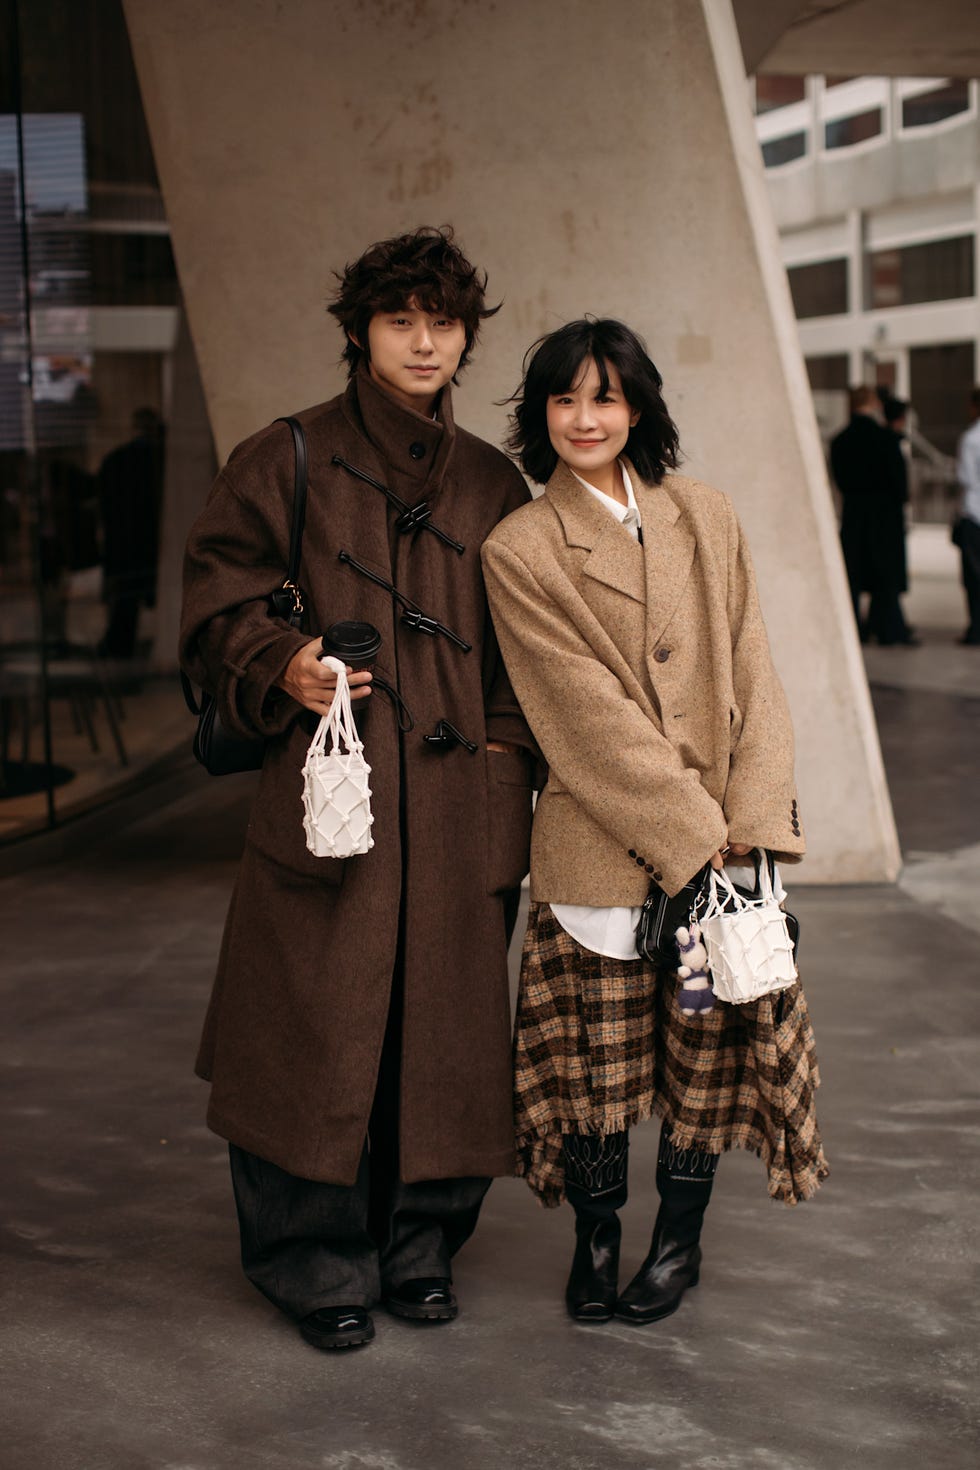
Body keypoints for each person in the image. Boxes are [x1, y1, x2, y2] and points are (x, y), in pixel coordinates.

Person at [179, 227, 536, 1352]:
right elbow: (213, 607)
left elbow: (533, 656)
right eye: (400, 320)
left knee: (441, 1032)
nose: (423, 341)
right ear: (358, 332)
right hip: (327, 794)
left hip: (456, 802)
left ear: (466, 337)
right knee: (312, 1026)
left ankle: (420, 1248)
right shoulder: (280, 457)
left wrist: (503, 773)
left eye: (442, 322)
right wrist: (278, 662)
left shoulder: (491, 480)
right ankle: (311, 1259)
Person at [481, 318, 826, 1327]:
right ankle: (595, 1237)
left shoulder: (704, 516)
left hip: (727, 846)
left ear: (638, 408)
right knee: (598, 1062)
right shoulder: (520, 548)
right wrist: (691, 828)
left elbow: (755, 676)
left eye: (605, 397)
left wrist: (750, 817)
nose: (585, 419)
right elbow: (581, 719)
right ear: (539, 414)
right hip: (599, 850)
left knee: (702, 1059)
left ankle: (677, 1246)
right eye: (564, 399)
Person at [830, 385, 916, 646]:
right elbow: (901, 487)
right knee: (884, 579)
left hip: (854, 517)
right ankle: (888, 630)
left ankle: (855, 630)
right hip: (884, 521)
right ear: (874, 404)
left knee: (853, 580)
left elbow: (840, 481)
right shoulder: (887, 439)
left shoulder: (840, 441)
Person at [98, 407, 165, 658]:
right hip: (146, 538)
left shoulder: (117, 459)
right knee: (132, 596)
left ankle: (118, 645)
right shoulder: (159, 460)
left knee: (125, 598)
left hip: (125, 541)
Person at [954, 387, 980, 646]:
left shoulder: (971, 438)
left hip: (975, 512)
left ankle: (977, 629)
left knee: (974, 576)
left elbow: (965, 478)